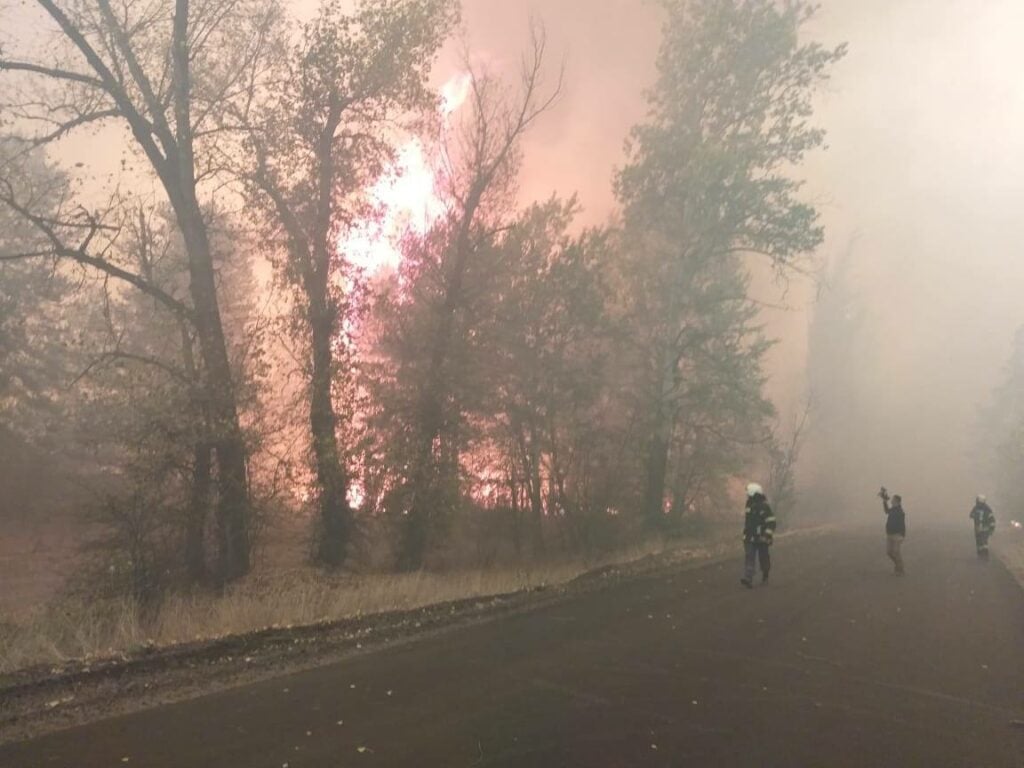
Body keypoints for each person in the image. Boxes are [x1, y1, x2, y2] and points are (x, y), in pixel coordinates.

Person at [740, 483, 776, 588]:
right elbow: (748, 522)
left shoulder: (764, 507)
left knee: (763, 557)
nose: (747, 495)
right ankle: (748, 579)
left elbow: (771, 522)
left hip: (761, 538)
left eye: (748, 493)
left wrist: (767, 535)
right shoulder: (749, 505)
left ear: (753, 493)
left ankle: (765, 573)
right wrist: (746, 534)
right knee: (749, 557)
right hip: (750, 537)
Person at [879, 487, 905, 575]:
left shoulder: (900, 511)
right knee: (889, 552)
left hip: (897, 535)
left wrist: (902, 535)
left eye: (893, 500)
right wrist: (884, 501)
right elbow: (886, 511)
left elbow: (901, 525)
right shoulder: (894, 509)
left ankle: (900, 569)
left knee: (896, 552)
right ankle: (898, 565)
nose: (892, 501)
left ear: (897, 501)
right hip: (890, 534)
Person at [969, 495, 996, 560]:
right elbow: (971, 515)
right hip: (978, 529)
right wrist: (974, 516)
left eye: (978, 501)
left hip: (984, 529)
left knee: (984, 542)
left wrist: (991, 529)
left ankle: (985, 555)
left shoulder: (987, 509)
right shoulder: (976, 508)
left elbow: (992, 519)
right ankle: (980, 555)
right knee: (979, 542)